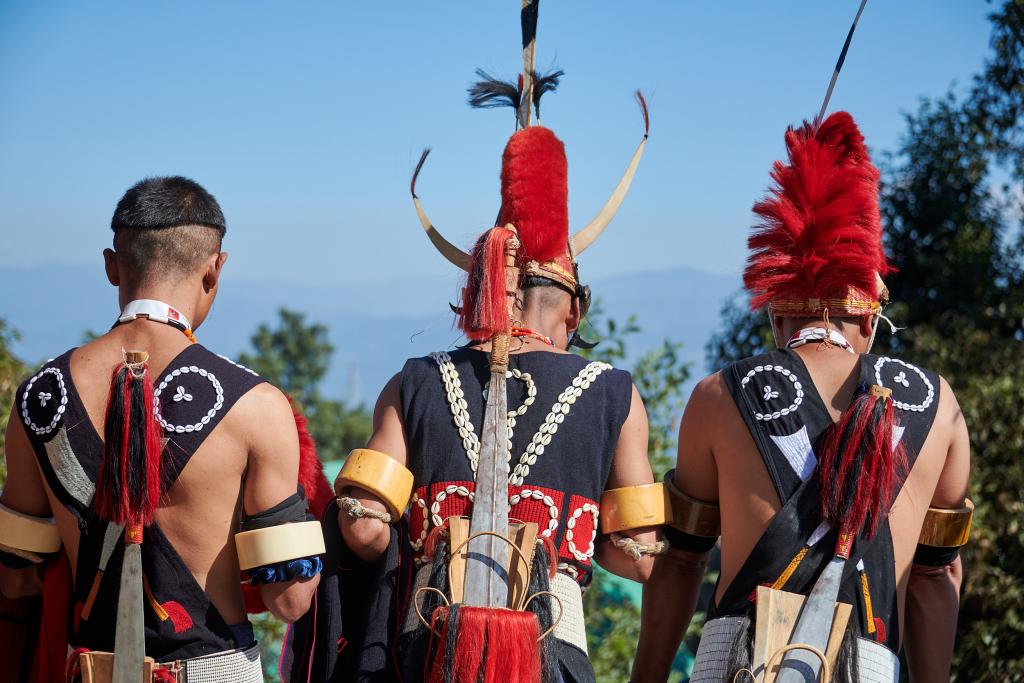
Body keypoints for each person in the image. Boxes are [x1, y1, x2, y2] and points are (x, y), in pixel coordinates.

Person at [284, 61, 665, 681]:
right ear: (573, 308)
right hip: (553, 655)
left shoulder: (412, 383)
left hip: (426, 651)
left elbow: (364, 527)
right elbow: (640, 558)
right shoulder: (615, 396)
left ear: (483, 289)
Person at [633, 113, 972, 682]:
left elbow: (683, 560)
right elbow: (936, 577)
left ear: (777, 315)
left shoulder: (717, 395)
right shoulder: (939, 406)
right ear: (870, 319)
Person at [0, 176, 327, 681]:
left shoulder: (40, 397)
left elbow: (16, 581)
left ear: (112, 266)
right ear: (214, 270)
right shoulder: (256, 406)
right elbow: (289, 599)